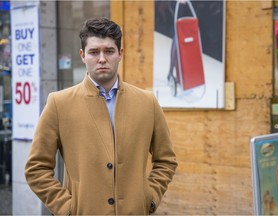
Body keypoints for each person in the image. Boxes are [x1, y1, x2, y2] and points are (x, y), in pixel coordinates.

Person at [25, 17, 177, 215]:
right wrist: (66, 208)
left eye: (109, 51)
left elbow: (166, 160)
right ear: (82, 55)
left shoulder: (148, 102)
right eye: (94, 52)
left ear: (120, 53)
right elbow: (36, 168)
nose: (102, 59)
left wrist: (150, 197)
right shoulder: (58, 103)